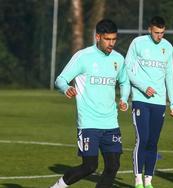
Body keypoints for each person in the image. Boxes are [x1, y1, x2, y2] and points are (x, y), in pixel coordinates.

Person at [50, 19, 130, 188]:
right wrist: (66, 89)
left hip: (111, 122)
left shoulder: (118, 59)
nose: (111, 43)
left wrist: (123, 99)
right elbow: (60, 79)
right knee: (90, 166)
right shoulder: (83, 57)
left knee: (113, 165)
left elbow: (124, 81)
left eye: (114, 39)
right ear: (97, 37)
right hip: (88, 123)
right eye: (107, 39)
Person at [125, 16, 173, 188]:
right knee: (143, 138)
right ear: (149, 29)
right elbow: (127, 69)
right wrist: (143, 87)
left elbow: (169, 75)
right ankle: (138, 180)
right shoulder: (138, 43)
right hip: (141, 99)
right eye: (156, 32)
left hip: (159, 102)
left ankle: (148, 181)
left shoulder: (168, 47)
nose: (159, 36)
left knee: (153, 141)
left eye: (162, 33)